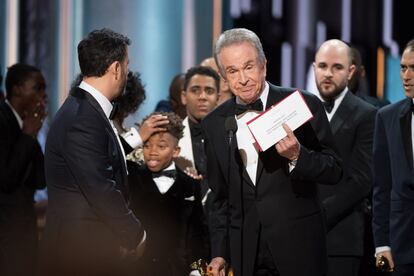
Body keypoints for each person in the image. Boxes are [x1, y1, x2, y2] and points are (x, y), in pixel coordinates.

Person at [203, 28, 342, 276]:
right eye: (233, 71)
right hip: (245, 252)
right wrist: (220, 251)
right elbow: (219, 198)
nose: (243, 79)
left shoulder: (302, 103)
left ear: (263, 66)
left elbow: (334, 169)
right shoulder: (214, 123)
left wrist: (297, 156)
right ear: (223, 76)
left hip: (299, 249)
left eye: (248, 67)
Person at [41, 29, 145, 276]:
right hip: (79, 252)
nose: (127, 73)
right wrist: (135, 234)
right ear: (116, 68)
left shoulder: (85, 109)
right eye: (127, 65)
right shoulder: (83, 117)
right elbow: (100, 187)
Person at [313, 39, 377, 276]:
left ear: (351, 71)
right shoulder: (301, 110)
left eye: (337, 67)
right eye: (322, 66)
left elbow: (362, 179)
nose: (327, 74)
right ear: (313, 68)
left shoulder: (367, 114)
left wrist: (319, 215)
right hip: (299, 238)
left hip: (341, 237)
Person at [127, 112, 205, 275]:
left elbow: (197, 234)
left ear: (176, 151)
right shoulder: (132, 178)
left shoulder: (190, 184)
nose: (152, 152)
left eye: (161, 146)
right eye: (147, 145)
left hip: (178, 270)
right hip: (138, 268)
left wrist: (197, 270)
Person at [0, 63, 47, 276]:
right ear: (18, 89)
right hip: (7, 235)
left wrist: (32, 133)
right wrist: (28, 136)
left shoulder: (26, 123)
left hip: (23, 230)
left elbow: (39, 180)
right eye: (38, 88)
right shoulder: (2, 119)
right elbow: (6, 179)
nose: (43, 95)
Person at [372, 39, 414, 275]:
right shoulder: (386, 117)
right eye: (403, 67)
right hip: (401, 243)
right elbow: (381, 187)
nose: (406, 76)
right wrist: (382, 244)